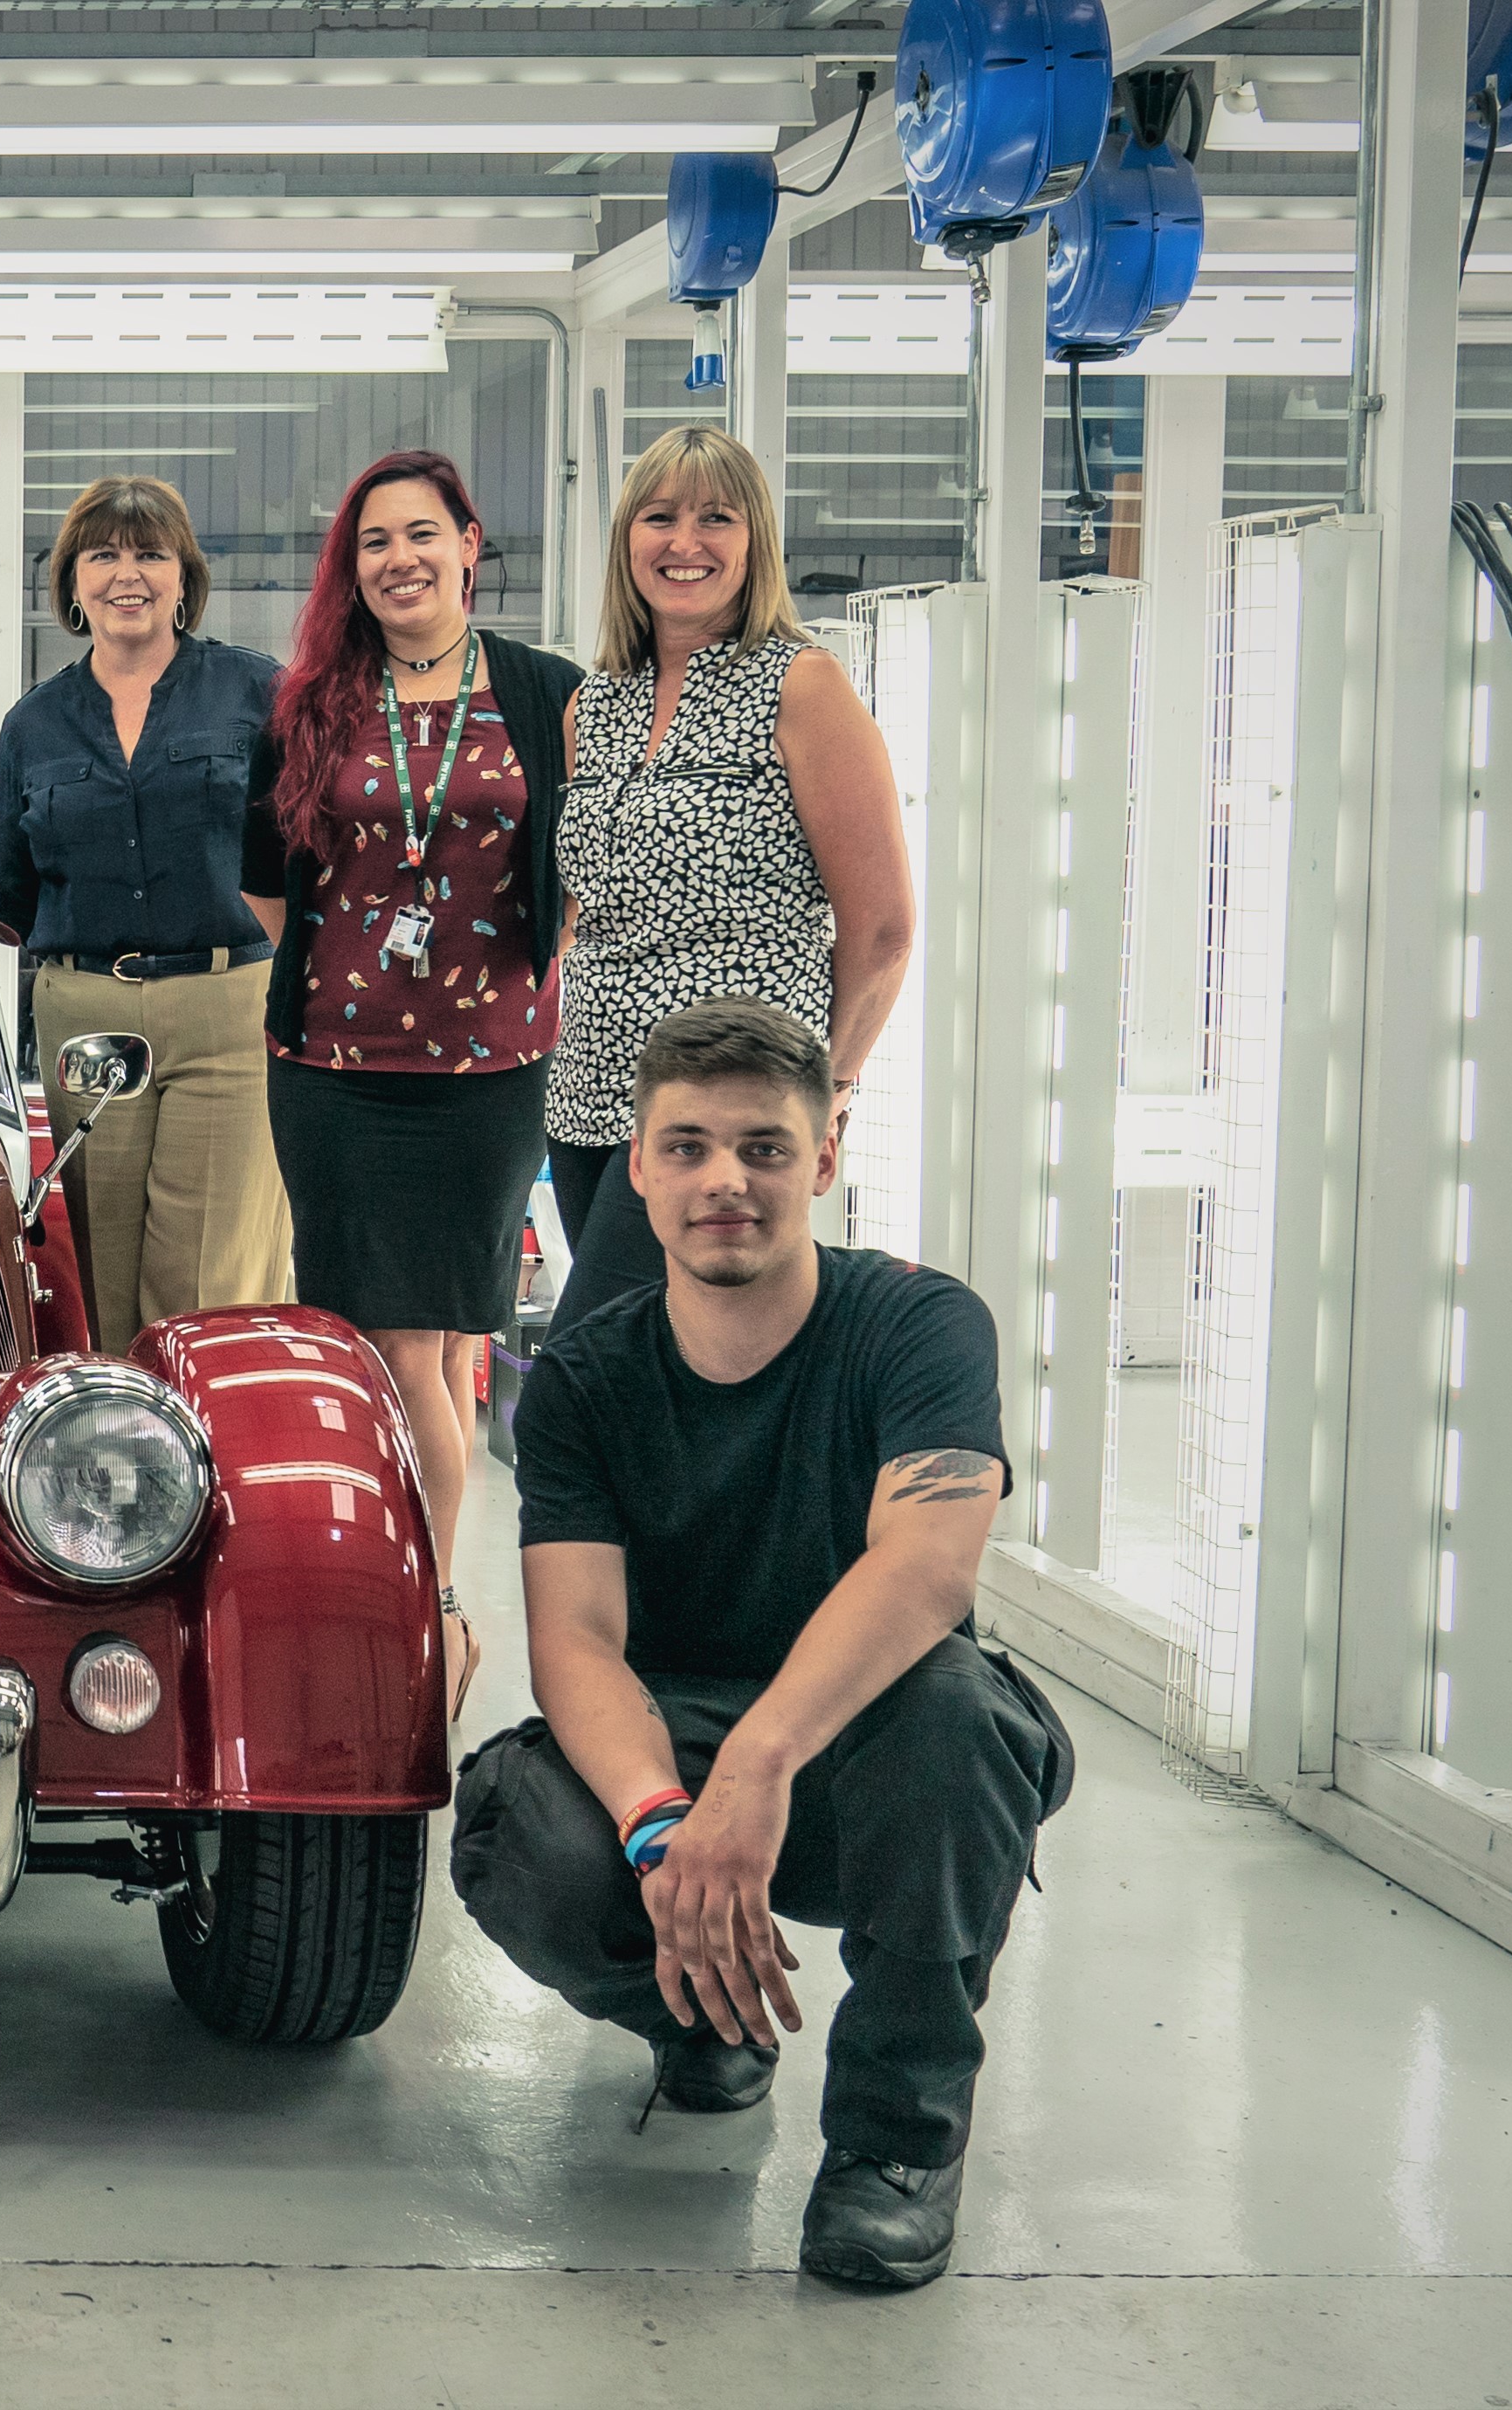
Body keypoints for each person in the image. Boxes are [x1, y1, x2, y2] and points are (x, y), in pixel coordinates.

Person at [448, 998, 1072, 2290]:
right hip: (674, 1744)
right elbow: (575, 1638)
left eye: (764, 1149)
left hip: (870, 1754)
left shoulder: (919, 1324)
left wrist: (761, 1767)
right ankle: (709, 2018)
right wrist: (664, 1826)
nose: (724, 1180)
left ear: (823, 1160)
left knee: (965, 1722)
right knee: (517, 1826)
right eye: (686, 1147)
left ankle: (896, 2146)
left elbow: (929, 1567)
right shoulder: (583, 1374)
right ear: (636, 1165)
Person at [244, 449, 585, 1697]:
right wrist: (363, 983)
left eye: (421, 535)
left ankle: (430, 1607)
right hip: (334, 1070)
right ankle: (431, 1604)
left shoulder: (548, 693)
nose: (400, 559)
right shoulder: (313, 702)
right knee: (392, 1342)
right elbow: (264, 877)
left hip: (491, 1073)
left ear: (470, 543)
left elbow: (586, 851)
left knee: (437, 1346)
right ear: (356, 566)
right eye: (375, 541)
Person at [546, 427, 911, 1335]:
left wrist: (825, 1090)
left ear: (756, 544)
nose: (685, 543)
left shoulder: (802, 686)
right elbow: (584, 908)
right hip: (589, 1098)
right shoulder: (596, 703)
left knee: (599, 1354)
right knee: (644, 1367)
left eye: (716, 518)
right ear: (627, 538)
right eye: (660, 517)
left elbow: (883, 929)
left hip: (726, 1106)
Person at [0, 475, 292, 1349]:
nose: (129, 574)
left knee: (208, 1277)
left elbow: (303, 850)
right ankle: (112, 1466)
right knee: (96, 1270)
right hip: (86, 1015)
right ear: (73, 583)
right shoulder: (33, 724)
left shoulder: (255, 694)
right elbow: (11, 888)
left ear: (184, 577)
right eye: (104, 555)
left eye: (151, 553)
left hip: (227, 1007)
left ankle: (206, 1464)